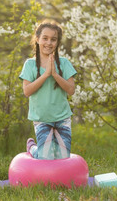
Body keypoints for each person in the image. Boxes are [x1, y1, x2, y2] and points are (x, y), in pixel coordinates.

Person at [19, 20, 77, 160]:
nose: (49, 43)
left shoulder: (64, 63)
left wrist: (55, 74)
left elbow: (71, 90)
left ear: (57, 43)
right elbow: (27, 91)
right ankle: (33, 149)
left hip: (62, 118)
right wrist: (46, 75)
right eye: (45, 38)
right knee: (46, 156)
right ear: (37, 39)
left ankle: (40, 149)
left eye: (53, 39)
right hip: (42, 119)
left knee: (62, 157)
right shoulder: (30, 64)